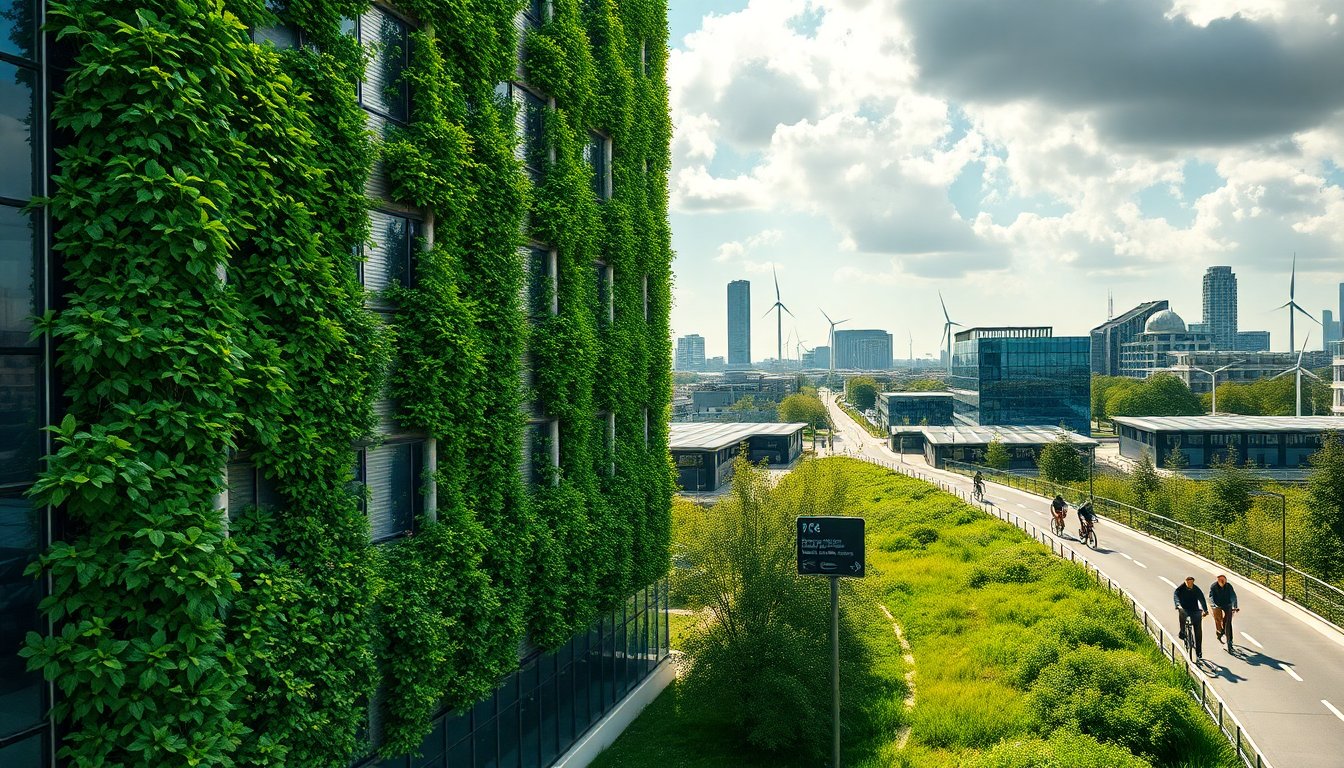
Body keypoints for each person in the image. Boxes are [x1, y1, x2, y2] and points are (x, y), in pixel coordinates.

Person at [1173, 576, 1209, 659]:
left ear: (1193, 582)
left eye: (1191, 582)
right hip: (1184, 608)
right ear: (1185, 582)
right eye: (1188, 582)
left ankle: (1199, 652)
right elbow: (1176, 596)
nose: (1189, 583)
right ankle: (1182, 631)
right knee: (1182, 613)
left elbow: (1202, 599)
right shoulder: (1180, 589)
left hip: (1194, 609)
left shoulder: (1196, 589)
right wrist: (1178, 605)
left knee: (1198, 630)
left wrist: (1205, 610)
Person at [1208, 574, 1239, 645]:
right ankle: (1219, 631)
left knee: (1228, 621)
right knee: (1218, 618)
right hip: (1217, 604)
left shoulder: (1229, 586)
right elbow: (1211, 597)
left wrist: (1235, 606)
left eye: (1223, 580)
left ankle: (1230, 640)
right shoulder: (1213, 587)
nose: (1222, 582)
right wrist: (1214, 605)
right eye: (1220, 580)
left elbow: (1233, 596)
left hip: (1227, 604)